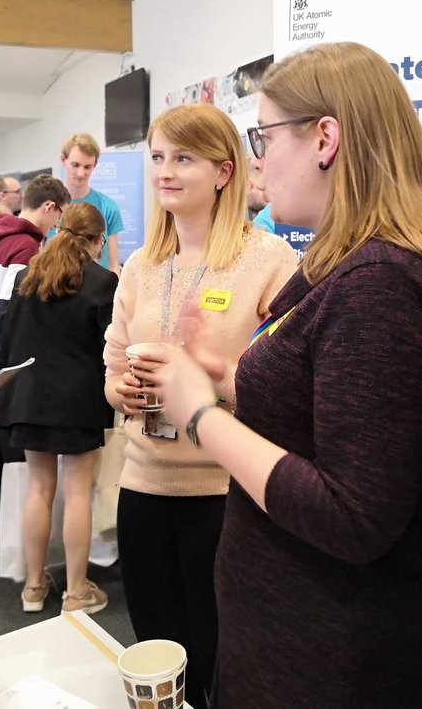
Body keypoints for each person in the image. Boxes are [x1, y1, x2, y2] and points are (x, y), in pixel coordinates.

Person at [136, 46, 422, 708]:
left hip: (333, 658)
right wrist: (230, 381)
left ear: (325, 137)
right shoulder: (352, 266)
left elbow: (352, 514)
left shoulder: (379, 283)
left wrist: (201, 415)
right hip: (300, 637)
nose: (257, 160)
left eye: (263, 137)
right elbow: (330, 418)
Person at [103, 103, 299, 708]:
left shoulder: (269, 260)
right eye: (158, 157)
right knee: (158, 645)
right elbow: (111, 370)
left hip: (228, 491)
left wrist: (212, 382)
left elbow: (290, 386)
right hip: (143, 486)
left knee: (221, 653)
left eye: (182, 158)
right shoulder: (139, 264)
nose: (165, 171)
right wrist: (124, 391)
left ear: (222, 172)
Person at [0, 202, 118, 614]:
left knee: (38, 488)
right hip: (78, 403)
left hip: (28, 399)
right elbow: (110, 350)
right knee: (78, 491)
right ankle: (76, 592)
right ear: (95, 241)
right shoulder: (104, 282)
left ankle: (33, 587)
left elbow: (8, 337)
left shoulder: (28, 276)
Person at [0, 173, 70, 558]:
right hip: (9, 368)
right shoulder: (25, 247)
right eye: (58, 216)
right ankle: (12, 543)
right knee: (15, 462)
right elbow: (13, 310)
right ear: (49, 207)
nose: (56, 224)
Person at [60, 132, 123, 273]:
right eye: (75, 165)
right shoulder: (49, 206)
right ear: (63, 160)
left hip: (98, 291)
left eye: (87, 167)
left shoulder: (108, 207)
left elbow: (113, 265)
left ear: (95, 165)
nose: (81, 173)